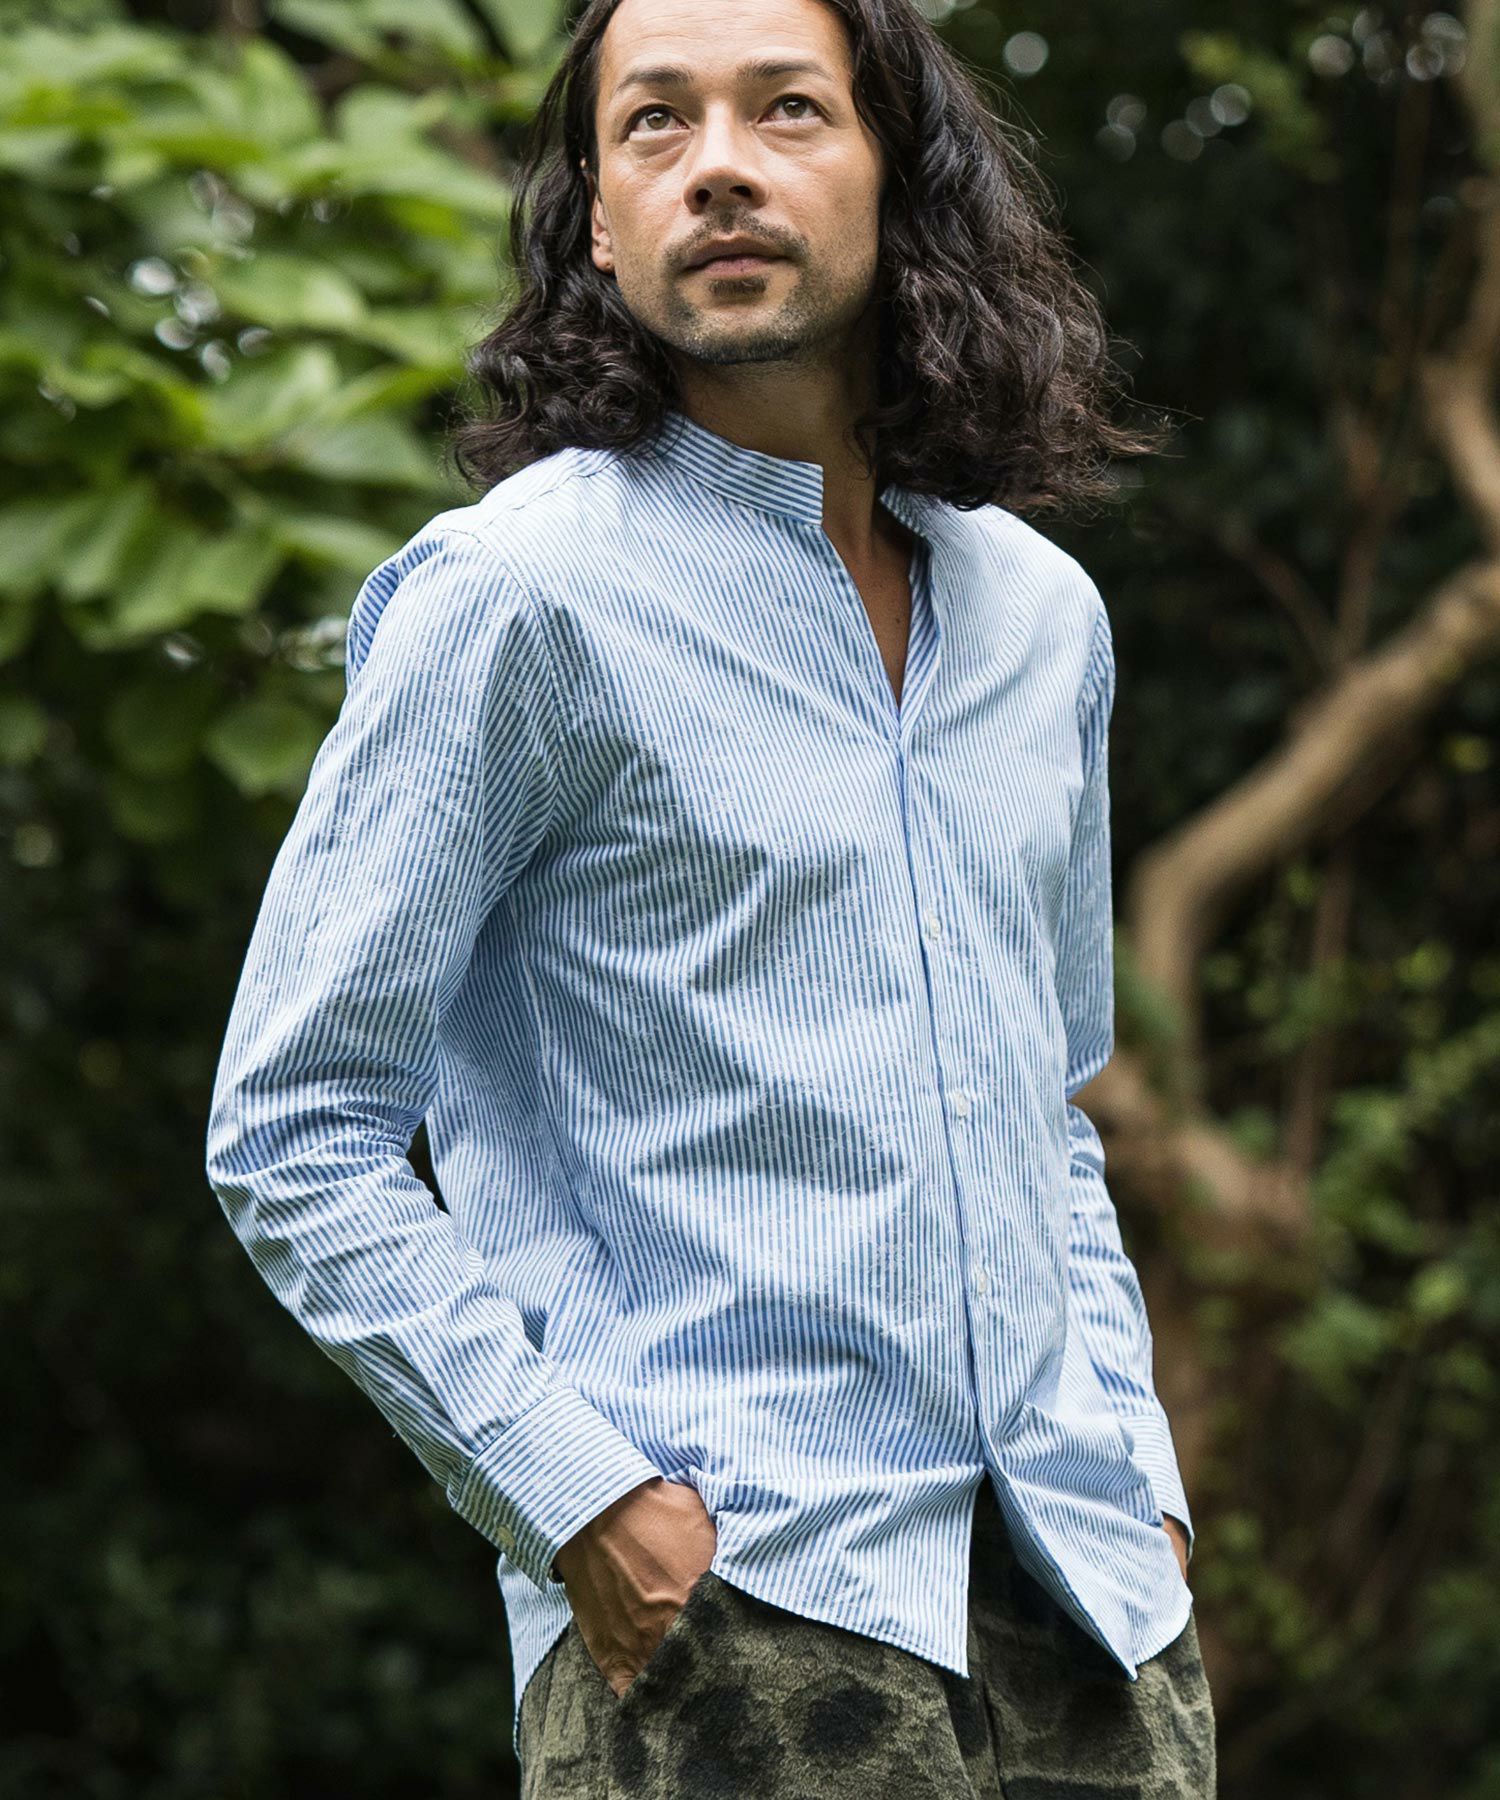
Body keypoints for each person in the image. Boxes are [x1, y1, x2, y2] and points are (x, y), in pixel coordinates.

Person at [205, 0, 1217, 1791]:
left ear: (898, 172)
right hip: (735, 1613)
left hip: (1093, 1617)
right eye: (655, 123)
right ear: (599, 219)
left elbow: (1049, 1106)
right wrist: (579, 1496)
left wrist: (1140, 1475)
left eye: (788, 110)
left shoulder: (1043, 619)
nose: (720, 167)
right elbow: (293, 1127)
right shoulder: (513, 601)